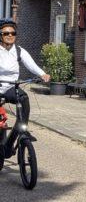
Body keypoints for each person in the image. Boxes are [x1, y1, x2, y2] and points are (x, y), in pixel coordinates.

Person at [0, 19, 50, 155]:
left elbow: (31, 65)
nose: (10, 35)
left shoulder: (18, 50)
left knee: (23, 98)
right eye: (6, 33)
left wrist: (42, 74)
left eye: (13, 33)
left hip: (10, 88)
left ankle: (17, 136)